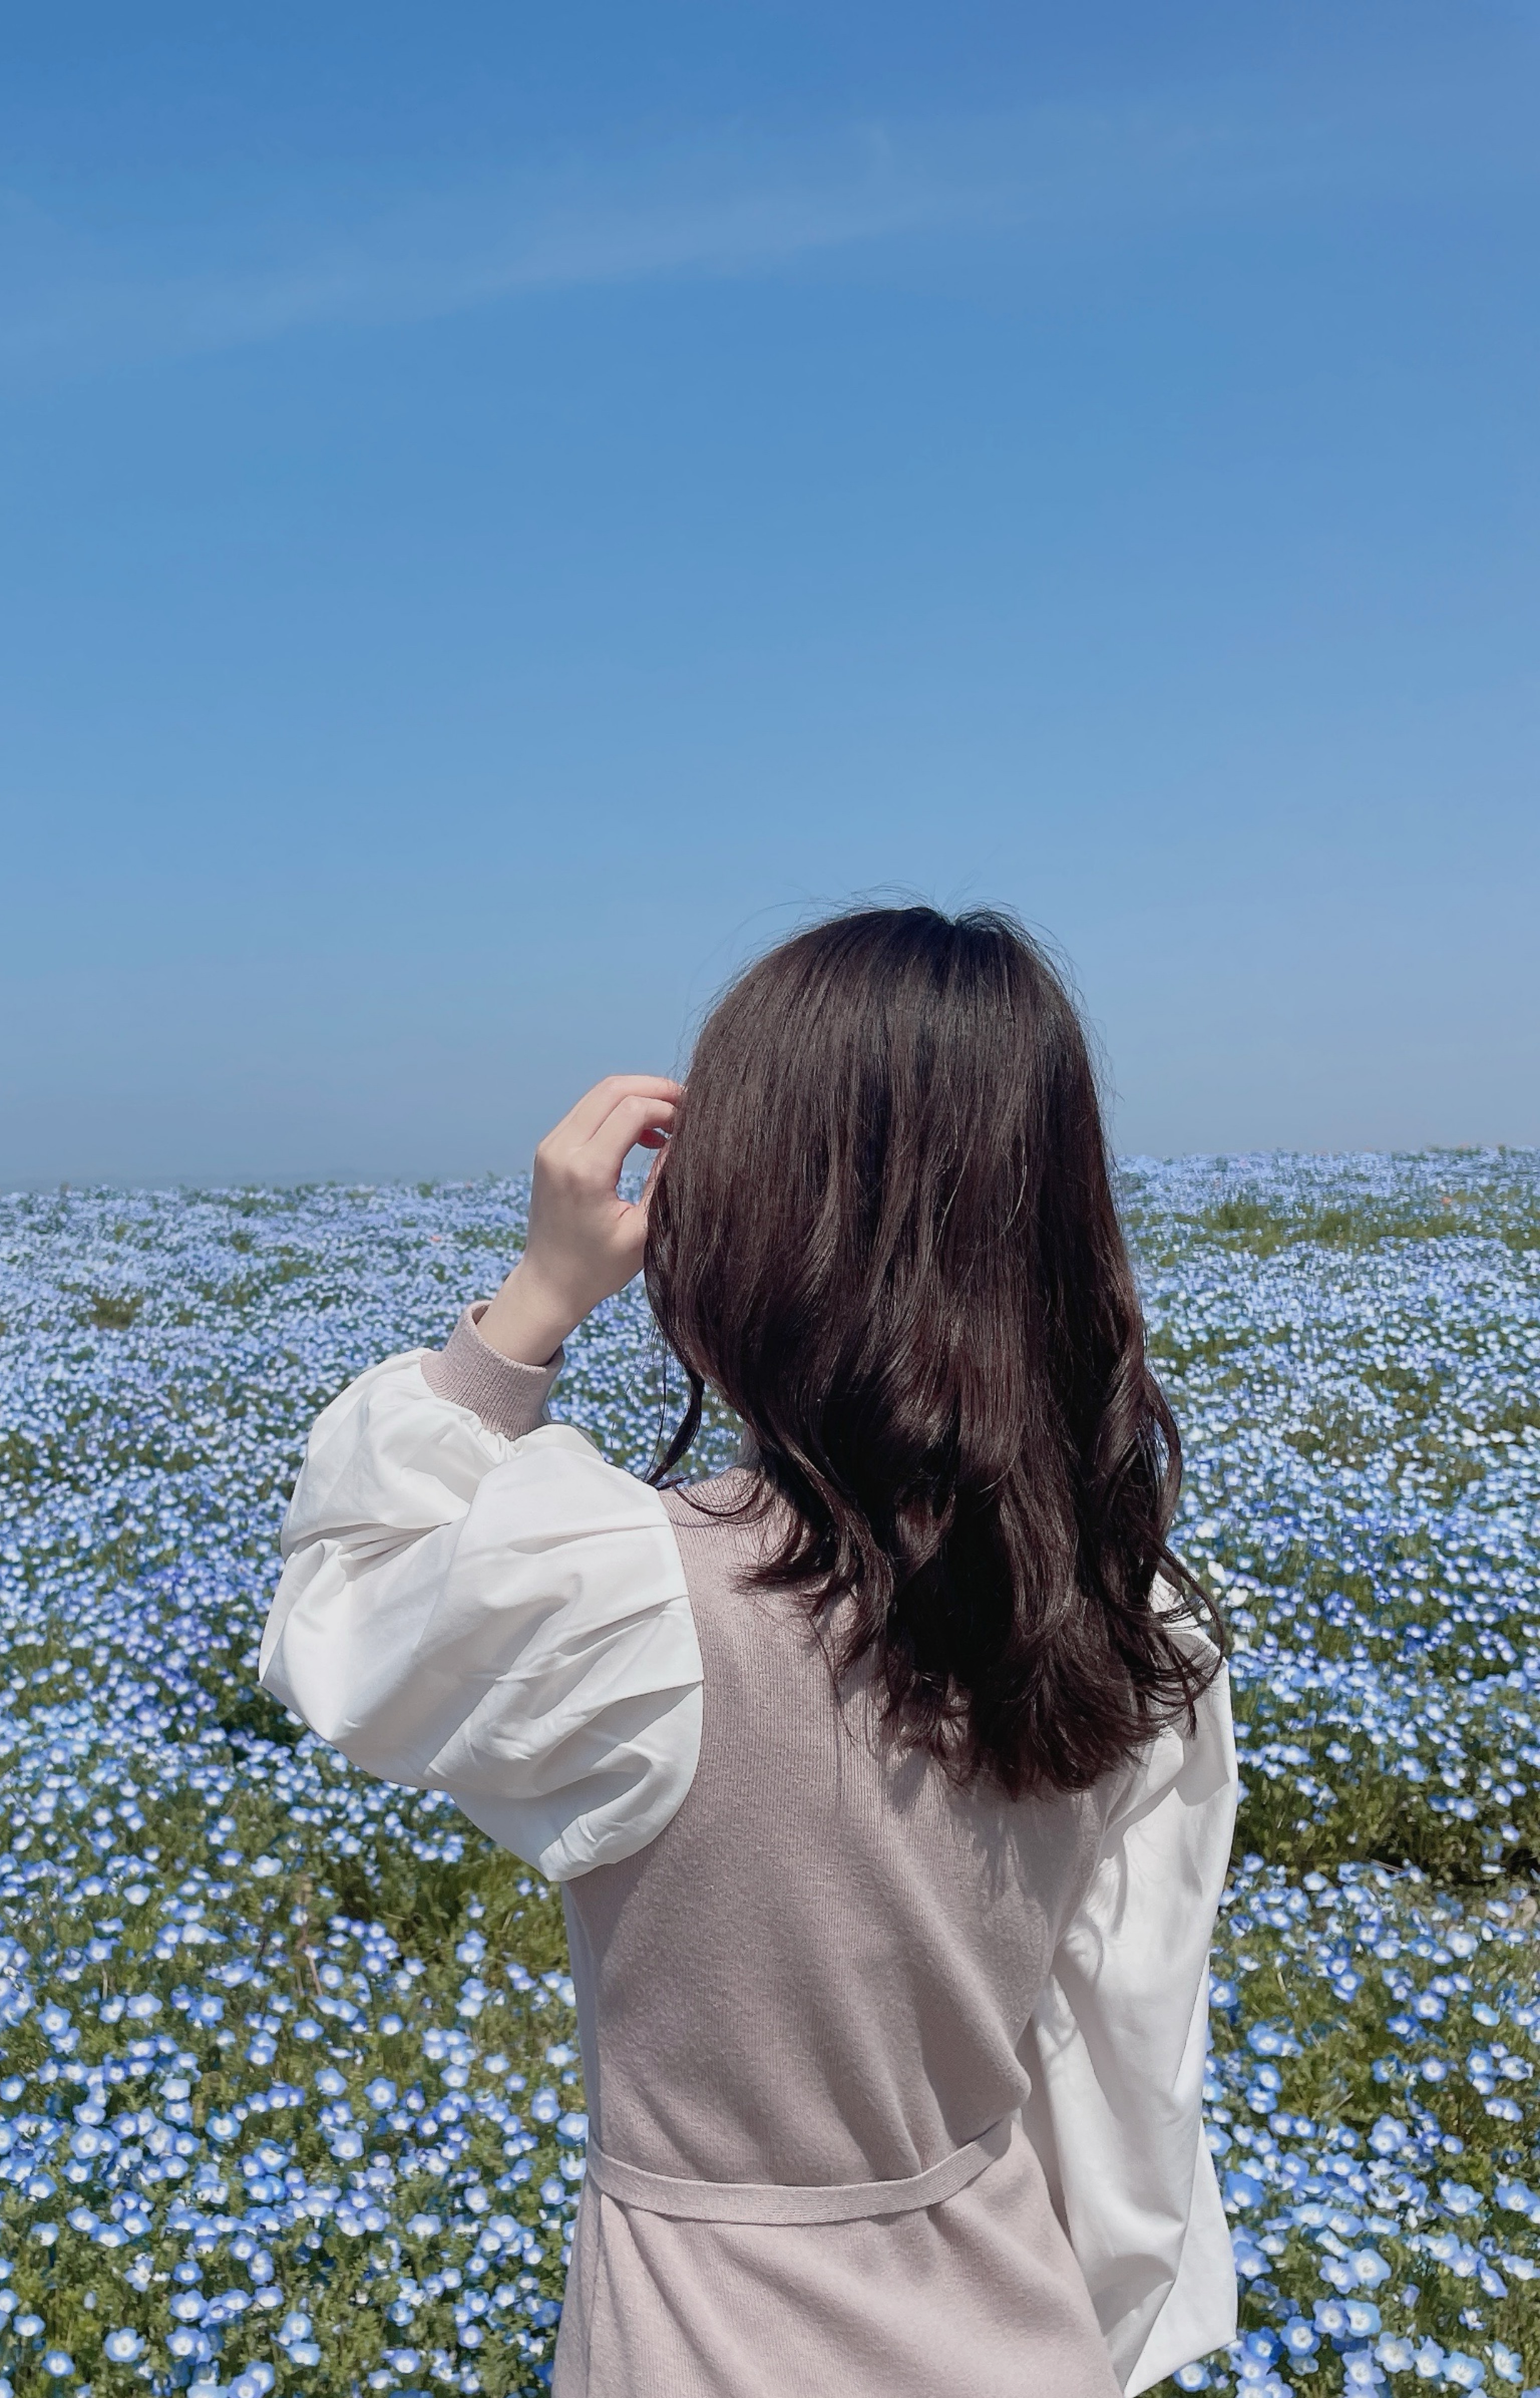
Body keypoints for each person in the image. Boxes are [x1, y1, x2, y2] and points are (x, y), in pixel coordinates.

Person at [260, 906, 1238, 2396]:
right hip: (1014, 2328)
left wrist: (529, 1309)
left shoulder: (631, 1594)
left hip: (707, 2344)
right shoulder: (1132, 1612)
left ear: (750, 1235)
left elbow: (340, 1610)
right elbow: (1128, 2084)